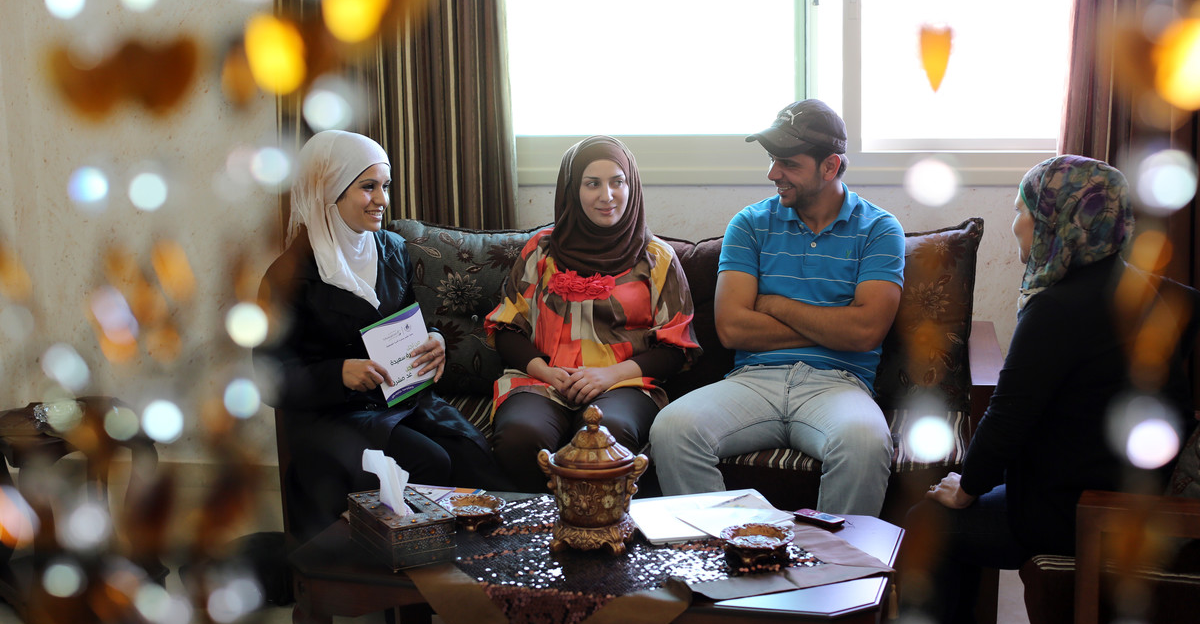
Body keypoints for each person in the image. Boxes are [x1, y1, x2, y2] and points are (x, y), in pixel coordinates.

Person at [890, 155, 1196, 624]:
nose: (1016, 224)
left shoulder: (1057, 308)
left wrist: (969, 484)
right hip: (1128, 496)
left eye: (1023, 211)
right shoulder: (1152, 291)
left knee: (931, 523)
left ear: (1058, 221)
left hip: (1076, 510)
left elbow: (1009, 414)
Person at [648, 99, 905, 517]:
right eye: (771, 160)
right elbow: (732, 328)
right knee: (673, 428)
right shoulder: (750, 224)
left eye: (788, 163)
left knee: (865, 442)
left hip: (838, 384)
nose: (773, 174)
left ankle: (834, 580)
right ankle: (729, 563)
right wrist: (834, 323)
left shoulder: (878, 229)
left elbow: (864, 333)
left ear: (830, 165)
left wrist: (773, 305)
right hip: (754, 380)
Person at [255, 129, 512, 543]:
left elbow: (407, 322)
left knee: (474, 457)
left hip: (399, 397)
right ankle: (414, 579)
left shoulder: (391, 249)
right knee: (431, 462)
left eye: (385, 186)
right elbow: (269, 377)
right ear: (329, 191)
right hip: (333, 416)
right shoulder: (289, 277)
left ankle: (479, 575)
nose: (382, 199)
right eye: (368, 186)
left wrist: (433, 341)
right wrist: (338, 372)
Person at [485, 135, 701, 493]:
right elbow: (507, 328)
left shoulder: (657, 259)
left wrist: (606, 377)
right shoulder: (541, 251)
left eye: (618, 182)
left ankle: (600, 536)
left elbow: (676, 348)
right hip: (542, 380)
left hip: (623, 384)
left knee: (606, 436)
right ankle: (536, 536)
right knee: (521, 436)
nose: (607, 195)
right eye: (592, 184)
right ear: (572, 190)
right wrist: (548, 373)